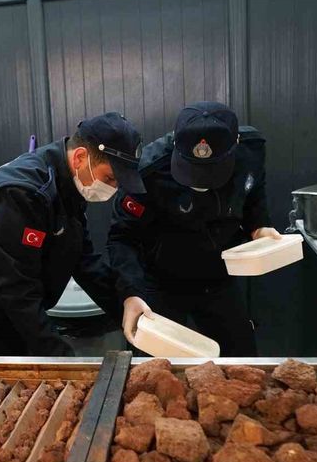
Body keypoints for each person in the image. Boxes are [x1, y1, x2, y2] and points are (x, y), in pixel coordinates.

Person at [0, 113, 154, 356]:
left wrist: (127, 299)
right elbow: (18, 291)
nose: (113, 189)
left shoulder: (70, 185)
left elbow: (83, 260)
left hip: (2, 307)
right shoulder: (20, 196)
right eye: (110, 178)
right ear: (80, 158)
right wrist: (63, 359)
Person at [107, 102, 281, 357]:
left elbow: (253, 193)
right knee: (153, 373)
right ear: (177, 147)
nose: (200, 183)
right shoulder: (147, 173)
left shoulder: (251, 152)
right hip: (159, 280)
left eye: (210, 173)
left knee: (241, 362)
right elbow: (122, 237)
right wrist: (130, 293)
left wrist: (260, 227)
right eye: (192, 171)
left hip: (218, 276)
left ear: (235, 146)